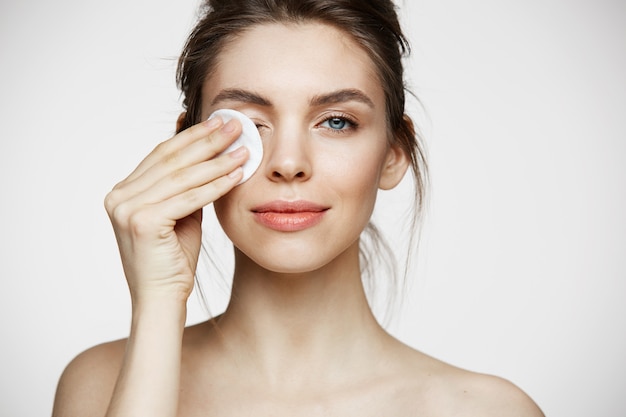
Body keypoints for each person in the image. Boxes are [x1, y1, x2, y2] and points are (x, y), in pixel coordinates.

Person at [52, 1, 544, 416]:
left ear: (394, 153)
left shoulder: (487, 410)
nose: (289, 163)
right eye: (249, 123)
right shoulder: (100, 386)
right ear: (189, 147)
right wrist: (158, 302)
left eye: (335, 122)